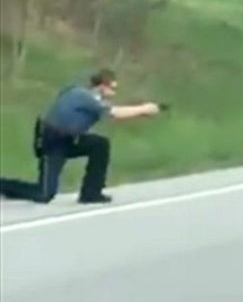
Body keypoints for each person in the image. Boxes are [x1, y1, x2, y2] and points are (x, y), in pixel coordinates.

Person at [0, 68, 161, 204]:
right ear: (101, 86)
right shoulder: (84, 96)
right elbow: (115, 114)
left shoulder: (91, 99)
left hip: (69, 139)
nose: (114, 92)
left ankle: (91, 193)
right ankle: (4, 186)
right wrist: (144, 109)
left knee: (99, 144)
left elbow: (113, 113)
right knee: (45, 194)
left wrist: (141, 113)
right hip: (52, 140)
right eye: (112, 88)